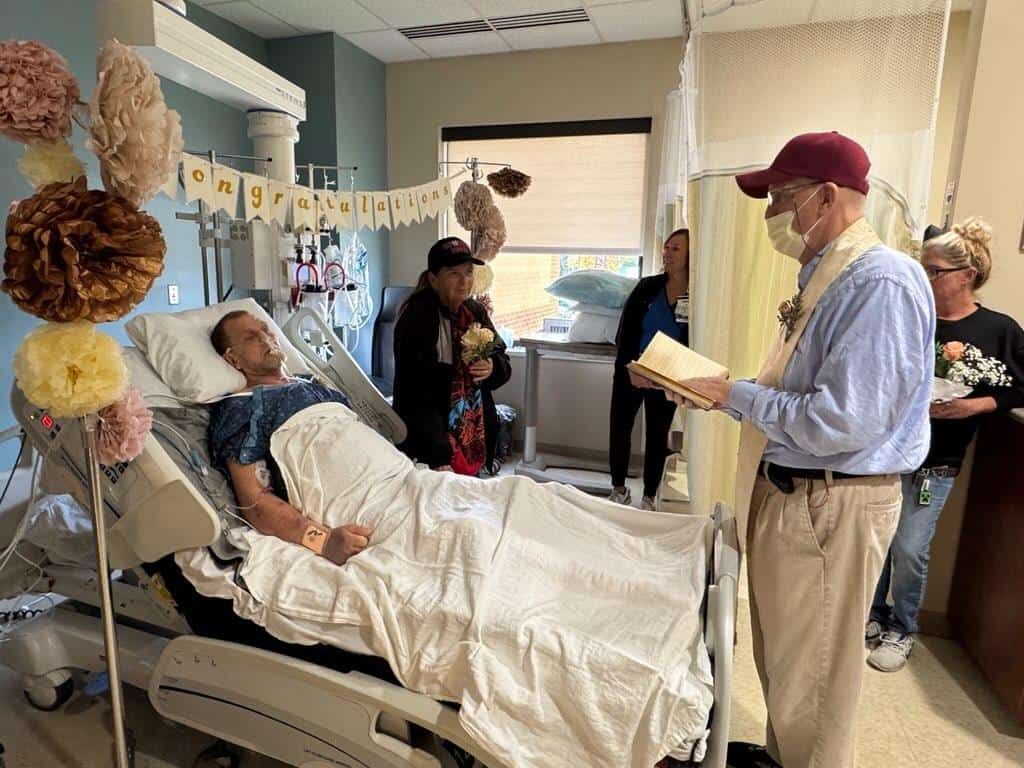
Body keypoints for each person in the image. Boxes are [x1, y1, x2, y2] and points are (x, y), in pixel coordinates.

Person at [646, 132, 936, 768]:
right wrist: (724, 394)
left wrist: (736, 395)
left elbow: (842, 423)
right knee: (788, 667)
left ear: (826, 197)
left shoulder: (878, 282)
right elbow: (808, 393)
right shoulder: (828, 277)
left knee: (817, 686)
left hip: (830, 501)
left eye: (781, 196)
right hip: (797, 494)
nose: (773, 212)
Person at [867, 217, 1024, 672]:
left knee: (911, 547)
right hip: (886, 449)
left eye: (934, 271)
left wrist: (974, 407)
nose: (925, 277)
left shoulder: (998, 330)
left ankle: (903, 627)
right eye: (923, 268)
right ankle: (872, 615)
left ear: (965, 275)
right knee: (876, 539)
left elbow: (1020, 386)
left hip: (938, 460)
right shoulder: (912, 318)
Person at [207, 309, 375, 566]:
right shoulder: (243, 409)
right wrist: (323, 542)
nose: (266, 338)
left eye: (266, 330)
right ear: (233, 359)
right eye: (251, 337)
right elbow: (256, 503)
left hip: (398, 482)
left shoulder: (315, 386)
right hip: (357, 509)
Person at [392, 237, 511, 475]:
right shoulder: (417, 319)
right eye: (454, 274)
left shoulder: (474, 311)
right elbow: (417, 395)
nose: (464, 281)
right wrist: (439, 456)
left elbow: (504, 365)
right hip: (431, 443)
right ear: (434, 280)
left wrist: (491, 368)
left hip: (473, 436)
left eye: (468, 272)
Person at [608, 228, 690, 509]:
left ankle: (649, 496)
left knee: (657, 434)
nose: (667, 253)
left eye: (676, 248)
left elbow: (691, 342)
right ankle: (618, 489)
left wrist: (672, 378)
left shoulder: (697, 296)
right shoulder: (648, 287)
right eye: (666, 247)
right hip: (632, 369)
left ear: (691, 255)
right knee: (620, 428)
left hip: (666, 376)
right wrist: (632, 367)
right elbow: (625, 332)